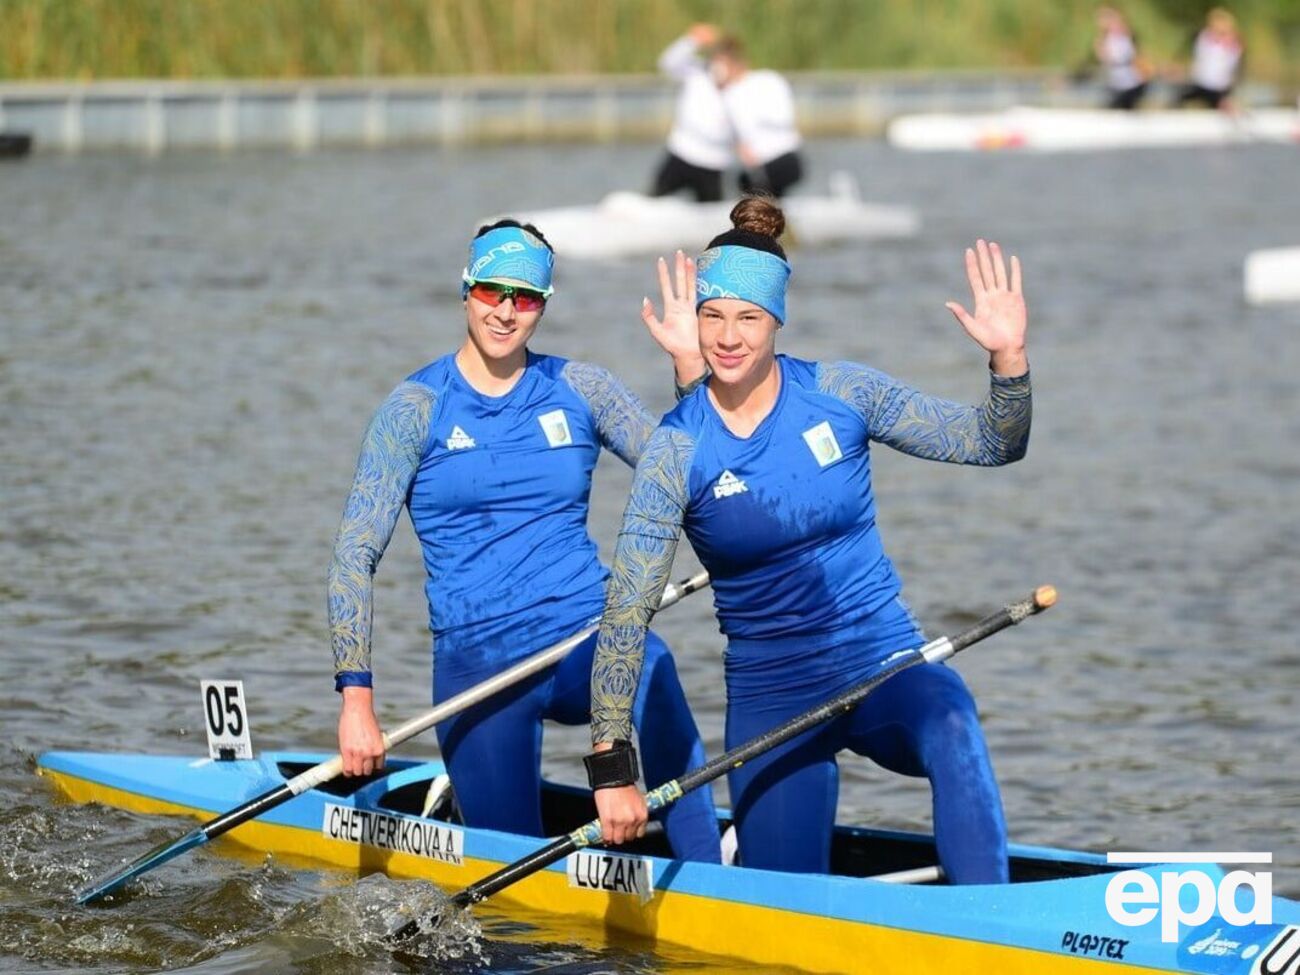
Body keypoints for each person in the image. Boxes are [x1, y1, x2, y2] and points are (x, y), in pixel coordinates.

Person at [584, 197, 1032, 882]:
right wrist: (612, 767)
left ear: (777, 320)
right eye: (712, 316)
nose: (727, 337)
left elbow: (993, 442)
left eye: (748, 318)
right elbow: (626, 611)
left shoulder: (842, 392)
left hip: (882, 662)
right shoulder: (676, 449)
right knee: (783, 895)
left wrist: (1008, 358)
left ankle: (996, 928)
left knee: (950, 715)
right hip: (773, 696)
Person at [328, 220, 720, 862]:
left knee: (651, 664)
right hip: (478, 668)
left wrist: (690, 370)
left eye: (527, 297)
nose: (506, 312)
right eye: (492, 292)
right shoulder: (415, 409)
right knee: (510, 913)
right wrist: (357, 702)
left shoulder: (582, 389)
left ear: (543, 304)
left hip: (582, 639)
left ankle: (709, 877)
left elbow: (693, 479)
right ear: (466, 290)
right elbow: (354, 555)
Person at [709, 36, 804, 198]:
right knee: (744, 185)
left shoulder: (767, 81)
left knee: (755, 195)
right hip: (757, 167)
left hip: (782, 158)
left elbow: (783, 118)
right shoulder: (726, 95)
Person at [651, 24, 733, 203]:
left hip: (714, 162)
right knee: (653, 201)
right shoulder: (696, 73)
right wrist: (693, 40)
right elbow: (667, 62)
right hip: (682, 154)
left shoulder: (739, 86)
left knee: (713, 216)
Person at [1172, 7, 1245, 110]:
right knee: (1177, 99)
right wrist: (1177, 68)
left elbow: (1238, 68)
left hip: (1220, 88)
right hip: (1199, 83)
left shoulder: (1234, 43)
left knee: (1224, 105)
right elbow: (1182, 55)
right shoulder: (1200, 36)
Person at [1092, 6, 1150, 110]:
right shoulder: (1104, 40)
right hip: (1115, 83)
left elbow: (1137, 59)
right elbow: (1105, 59)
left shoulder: (1126, 37)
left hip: (1130, 82)